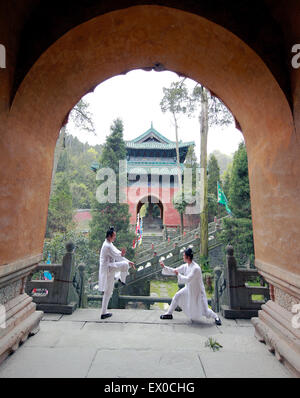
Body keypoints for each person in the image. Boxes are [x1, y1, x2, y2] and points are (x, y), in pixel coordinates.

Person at [159, 248, 222, 325]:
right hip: (188, 288)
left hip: (197, 291)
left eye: (184, 255)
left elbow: (187, 279)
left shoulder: (196, 268)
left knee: (205, 310)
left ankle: (216, 317)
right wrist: (164, 267)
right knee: (177, 295)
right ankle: (169, 313)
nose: (183, 257)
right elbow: (175, 270)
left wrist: (178, 274)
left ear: (188, 257)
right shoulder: (186, 266)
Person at [98, 226, 135, 320]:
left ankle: (103, 313)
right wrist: (123, 257)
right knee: (125, 265)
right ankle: (121, 279)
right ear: (110, 236)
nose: (115, 237)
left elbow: (118, 254)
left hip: (110, 268)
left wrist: (128, 260)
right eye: (114, 236)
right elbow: (118, 256)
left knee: (108, 291)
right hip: (108, 268)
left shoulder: (109, 243)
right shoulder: (107, 245)